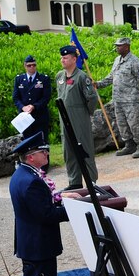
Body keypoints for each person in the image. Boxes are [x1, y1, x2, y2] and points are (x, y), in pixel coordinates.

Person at [9, 133, 81, 276]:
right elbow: (46, 214)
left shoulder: (21, 174)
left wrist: (61, 196)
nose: (47, 153)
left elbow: (41, 202)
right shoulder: (32, 181)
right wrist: (75, 210)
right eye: (43, 152)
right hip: (39, 244)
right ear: (31, 157)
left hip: (28, 241)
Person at [94, 37, 139, 158]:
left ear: (127, 47)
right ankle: (129, 145)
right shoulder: (117, 60)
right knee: (121, 123)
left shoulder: (134, 61)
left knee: (134, 123)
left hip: (131, 100)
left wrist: (134, 92)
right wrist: (98, 84)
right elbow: (111, 77)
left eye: (120, 45)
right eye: (117, 45)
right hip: (118, 99)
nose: (117, 47)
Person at [55, 45, 98, 189]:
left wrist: (86, 113)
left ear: (74, 59)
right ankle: (74, 181)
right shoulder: (59, 76)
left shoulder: (81, 77)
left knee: (84, 148)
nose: (63, 60)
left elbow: (91, 98)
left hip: (79, 117)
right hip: (64, 117)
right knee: (69, 150)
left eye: (66, 57)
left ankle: (91, 181)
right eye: (62, 57)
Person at [13, 54, 51, 139]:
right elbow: (15, 97)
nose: (32, 67)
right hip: (24, 117)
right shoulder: (19, 79)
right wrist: (23, 107)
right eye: (29, 65)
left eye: (34, 65)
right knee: (26, 144)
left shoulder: (44, 79)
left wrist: (34, 106)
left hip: (40, 116)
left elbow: (46, 97)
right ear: (25, 66)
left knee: (41, 143)